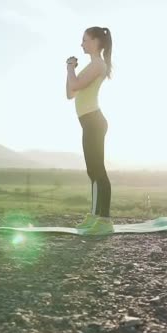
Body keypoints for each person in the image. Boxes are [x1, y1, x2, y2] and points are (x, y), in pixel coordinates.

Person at [66, 26, 113, 235]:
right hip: (88, 122)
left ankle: (104, 220)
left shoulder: (97, 65)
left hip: (94, 121)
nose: (81, 44)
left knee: (98, 171)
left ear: (95, 42)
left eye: (84, 40)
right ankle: (95, 216)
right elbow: (70, 93)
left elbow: (74, 85)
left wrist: (69, 69)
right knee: (92, 171)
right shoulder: (90, 66)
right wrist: (71, 70)